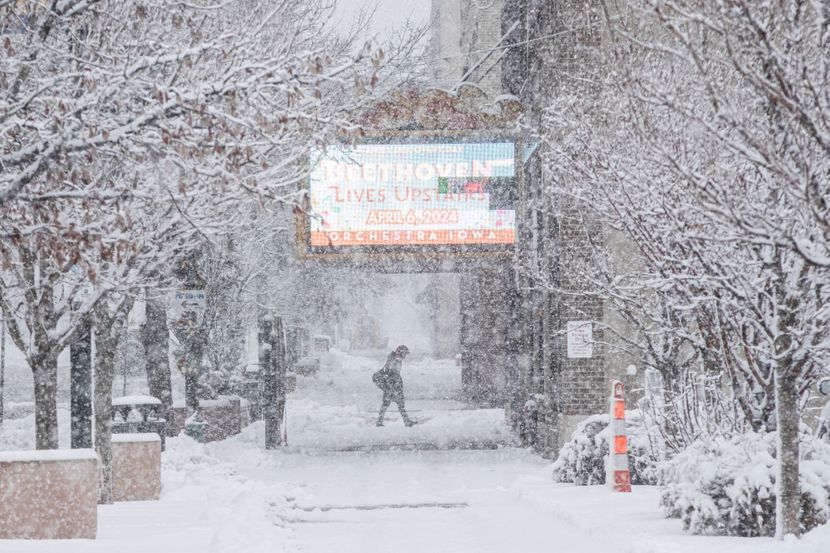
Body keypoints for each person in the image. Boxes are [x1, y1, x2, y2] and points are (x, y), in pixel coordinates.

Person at [373, 345, 413, 427]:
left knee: (397, 401)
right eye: (404, 353)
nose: (405, 356)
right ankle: (380, 421)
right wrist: (391, 389)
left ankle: (406, 421)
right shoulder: (393, 360)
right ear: (400, 353)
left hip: (391, 382)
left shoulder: (397, 360)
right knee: (390, 401)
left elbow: (395, 376)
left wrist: (398, 390)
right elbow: (388, 374)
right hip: (386, 381)